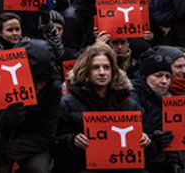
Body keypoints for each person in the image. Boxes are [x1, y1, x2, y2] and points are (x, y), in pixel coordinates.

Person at [55, 42, 149, 172]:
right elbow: (54, 143)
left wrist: (146, 139)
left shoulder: (129, 103)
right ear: (86, 70)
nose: (102, 72)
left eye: (106, 67)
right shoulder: (67, 103)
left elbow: (147, 134)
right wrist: (71, 141)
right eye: (95, 68)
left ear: (113, 70)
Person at [0, 39, 61, 173]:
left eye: (44, 80)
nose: (40, 86)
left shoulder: (52, 90)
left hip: (29, 148)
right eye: (35, 80)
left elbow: (46, 133)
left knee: (39, 167)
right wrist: (3, 125)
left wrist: (13, 153)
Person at [128, 48, 181, 173]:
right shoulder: (132, 98)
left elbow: (173, 136)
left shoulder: (168, 99)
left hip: (162, 161)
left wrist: (174, 161)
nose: (164, 81)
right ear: (145, 77)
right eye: (158, 76)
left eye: (168, 77)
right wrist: (154, 140)